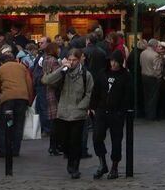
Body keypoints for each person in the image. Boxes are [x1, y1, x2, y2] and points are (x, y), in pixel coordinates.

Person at [43, 48, 94, 179]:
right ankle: (69, 158)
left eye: (74, 60)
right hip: (63, 112)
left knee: (75, 142)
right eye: (70, 59)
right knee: (63, 141)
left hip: (78, 113)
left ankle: (74, 167)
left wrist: (82, 106)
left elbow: (89, 93)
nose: (72, 62)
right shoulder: (63, 72)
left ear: (79, 60)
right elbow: (47, 80)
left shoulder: (85, 75)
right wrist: (61, 68)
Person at [89, 50, 133, 179]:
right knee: (97, 137)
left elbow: (128, 95)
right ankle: (102, 163)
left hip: (116, 112)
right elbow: (96, 90)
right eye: (112, 61)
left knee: (116, 140)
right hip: (102, 111)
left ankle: (114, 167)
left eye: (116, 62)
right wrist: (92, 106)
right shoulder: (103, 73)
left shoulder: (125, 76)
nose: (113, 64)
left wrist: (122, 111)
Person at [0, 48, 34, 158]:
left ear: (1, 62)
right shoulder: (23, 67)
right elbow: (29, 83)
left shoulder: (0, 70)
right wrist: (29, 100)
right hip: (22, 99)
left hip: (8, 99)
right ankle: (15, 150)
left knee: (5, 125)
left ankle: (3, 150)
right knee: (19, 124)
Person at [41, 42, 63, 156]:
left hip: (49, 91)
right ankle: (54, 146)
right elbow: (56, 77)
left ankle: (53, 146)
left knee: (54, 120)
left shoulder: (45, 59)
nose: (59, 50)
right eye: (58, 48)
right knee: (56, 120)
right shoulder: (53, 61)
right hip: (55, 92)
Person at [139, 38, 164, 120]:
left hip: (144, 76)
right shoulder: (155, 55)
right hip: (153, 78)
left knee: (146, 96)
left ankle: (147, 113)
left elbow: (140, 64)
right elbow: (157, 70)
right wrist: (159, 77)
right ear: (155, 46)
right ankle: (151, 115)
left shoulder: (142, 53)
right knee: (153, 98)